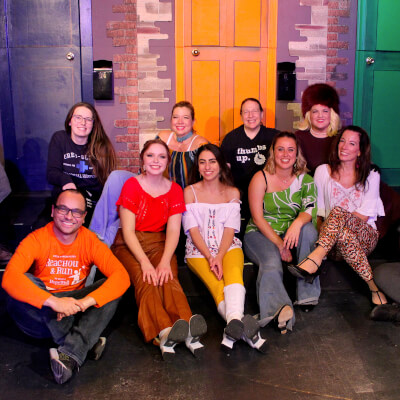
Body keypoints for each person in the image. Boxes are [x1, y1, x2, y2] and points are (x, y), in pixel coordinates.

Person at [1, 189, 130, 384]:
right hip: (41, 315)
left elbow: (122, 277)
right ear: (53, 211)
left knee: (109, 286)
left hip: (72, 309)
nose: (69, 216)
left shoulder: (90, 241)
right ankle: (83, 342)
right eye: (63, 209)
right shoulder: (36, 239)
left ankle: (70, 354)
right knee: (24, 281)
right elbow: (9, 277)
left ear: (84, 217)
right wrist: (54, 302)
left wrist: (84, 303)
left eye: (76, 212)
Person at [111, 139, 207, 360]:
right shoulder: (132, 185)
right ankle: (163, 332)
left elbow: (173, 230)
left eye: (161, 156)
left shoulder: (174, 189)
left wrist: (164, 261)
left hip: (159, 243)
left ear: (167, 161)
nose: (156, 161)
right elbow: (128, 231)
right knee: (147, 280)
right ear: (142, 160)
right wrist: (145, 263)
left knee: (168, 277)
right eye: (150, 155)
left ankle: (187, 328)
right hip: (129, 244)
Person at [288, 126, 387, 306]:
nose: (344, 146)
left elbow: (364, 215)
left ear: (360, 151)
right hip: (332, 242)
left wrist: (331, 232)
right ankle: (374, 288)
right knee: (343, 234)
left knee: (337, 212)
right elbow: (318, 212)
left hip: (365, 237)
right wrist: (329, 234)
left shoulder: (371, 174)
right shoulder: (323, 171)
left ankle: (315, 258)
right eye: (342, 141)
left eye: (352, 143)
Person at [182, 144, 267, 353]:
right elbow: (193, 230)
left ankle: (232, 330)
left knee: (234, 277)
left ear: (221, 165)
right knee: (217, 285)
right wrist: (210, 257)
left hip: (228, 247)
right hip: (198, 251)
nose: (207, 167)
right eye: (202, 162)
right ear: (197, 167)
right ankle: (243, 330)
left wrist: (219, 255)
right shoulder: (189, 192)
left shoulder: (232, 192)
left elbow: (230, 229)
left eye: (212, 161)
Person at [244, 132, 319, 333]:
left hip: (290, 233)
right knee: (271, 261)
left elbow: (310, 209)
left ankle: (307, 295)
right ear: (273, 152)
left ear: (297, 154)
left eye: (290, 149)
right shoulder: (260, 178)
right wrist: (279, 244)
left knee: (309, 230)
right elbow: (258, 218)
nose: (285, 154)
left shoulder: (305, 179)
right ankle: (278, 309)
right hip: (260, 233)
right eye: (280, 149)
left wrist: (296, 224)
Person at [46, 102, 116, 225]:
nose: (83, 123)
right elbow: (52, 173)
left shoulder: (102, 146)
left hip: (90, 200)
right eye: (78, 117)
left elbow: (104, 181)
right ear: (70, 121)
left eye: (88, 119)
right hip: (66, 196)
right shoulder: (60, 138)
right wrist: (66, 180)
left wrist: (83, 194)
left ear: (93, 124)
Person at [221, 98, 279, 239]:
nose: (250, 115)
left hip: (268, 195)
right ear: (241, 116)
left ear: (261, 114)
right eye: (246, 112)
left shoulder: (274, 136)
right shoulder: (231, 139)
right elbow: (224, 173)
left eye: (254, 111)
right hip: (240, 196)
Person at [157, 101, 208, 189]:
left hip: (191, 195)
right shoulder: (162, 138)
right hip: (162, 193)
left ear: (193, 121)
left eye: (185, 117)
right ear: (171, 120)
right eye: (175, 117)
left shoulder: (201, 144)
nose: (180, 122)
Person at [296, 83, 341, 175]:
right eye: (315, 111)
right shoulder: (299, 137)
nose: (320, 116)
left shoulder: (341, 136)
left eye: (325, 111)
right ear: (308, 115)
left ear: (332, 114)